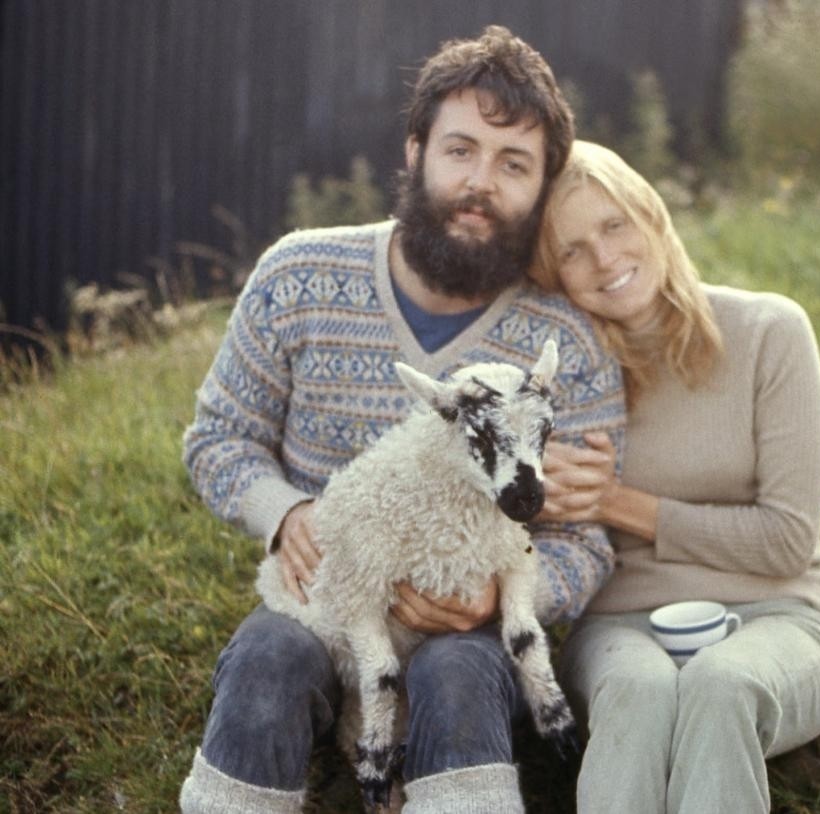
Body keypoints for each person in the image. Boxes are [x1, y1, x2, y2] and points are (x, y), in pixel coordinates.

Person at [178, 29, 625, 814]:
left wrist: (495, 599)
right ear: (416, 151)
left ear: (541, 186)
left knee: (457, 673)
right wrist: (285, 513)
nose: (480, 182)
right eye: (461, 150)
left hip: (467, 632)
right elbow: (218, 436)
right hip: (324, 602)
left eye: (513, 164)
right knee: (268, 660)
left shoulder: (564, 345)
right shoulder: (297, 275)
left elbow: (587, 538)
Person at [530, 140, 820, 814]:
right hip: (618, 628)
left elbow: (787, 542)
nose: (604, 258)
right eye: (572, 250)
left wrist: (618, 503)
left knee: (721, 684)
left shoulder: (769, 332)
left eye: (614, 224)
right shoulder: (561, 377)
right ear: (552, 275)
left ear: (652, 215)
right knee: (639, 692)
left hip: (781, 619)